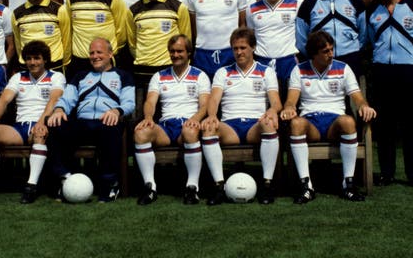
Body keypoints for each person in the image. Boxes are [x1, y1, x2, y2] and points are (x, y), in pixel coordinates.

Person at [280, 31, 376, 203]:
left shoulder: (343, 68)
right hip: (311, 123)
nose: (331, 54)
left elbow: (358, 97)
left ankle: (348, 184)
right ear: (314, 54)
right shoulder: (299, 69)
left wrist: (364, 106)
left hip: (334, 122)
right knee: (296, 124)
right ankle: (306, 186)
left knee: (348, 121)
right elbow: (291, 101)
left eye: (332, 49)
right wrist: (288, 109)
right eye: (326, 51)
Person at [46, 38, 135, 202]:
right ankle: (64, 178)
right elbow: (67, 99)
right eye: (92, 53)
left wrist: (116, 111)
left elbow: (129, 103)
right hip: (82, 122)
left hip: (106, 121)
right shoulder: (80, 76)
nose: (95, 56)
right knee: (54, 124)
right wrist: (58, 110)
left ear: (110, 54)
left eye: (99, 52)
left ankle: (109, 184)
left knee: (110, 128)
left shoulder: (123, 76)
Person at [0, 41, 66, 203]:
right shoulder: (18, 77)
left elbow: (54, 101)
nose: (32, 62)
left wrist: (41, 122)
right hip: (20, 127)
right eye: (29, 59)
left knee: (39, 135)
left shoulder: (56, 76)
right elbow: (4, 100)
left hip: (42, 124)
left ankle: (31, 186)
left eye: (37, 58)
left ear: (45, 60)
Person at [201, 28, 282, 205]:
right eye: (235, 48)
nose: (239, 52)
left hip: (255, 125)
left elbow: (276, 102)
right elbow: (214, 99)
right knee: (208, 128)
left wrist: (272, 110)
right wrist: (212, 115)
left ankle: (267, 184)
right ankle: (218, 186)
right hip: (230, 126)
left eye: (243, 47)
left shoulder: (266, 71)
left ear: (253, 47)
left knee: (269, 123)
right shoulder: (223, 72)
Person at [367, 0, 413, 187]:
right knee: (385, 126)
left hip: (408, 70)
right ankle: (387, 173)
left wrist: (411, 60)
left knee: (411, 124)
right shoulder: (373, 9)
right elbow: (372, 39)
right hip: (382, 70)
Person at [134, 35, 210, 205]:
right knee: (141, 133)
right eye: (172, 51)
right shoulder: (159, 76)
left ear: (189, 52)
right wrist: (148, 118)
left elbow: (205, 105)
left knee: (190, 132)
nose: (175, 55)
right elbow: (150, 101)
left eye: (180, 51)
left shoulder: (200, 75)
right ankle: (150, 187)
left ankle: (192, 188)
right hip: (166, 126)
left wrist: (195, 118)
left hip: (188, 123)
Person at [127, 0, 191, 114]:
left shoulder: (178, 7)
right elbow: (131, 42)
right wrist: (144, 57)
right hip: (142, 72)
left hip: (169, 70)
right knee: (142, 119)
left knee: (169, 115)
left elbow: (186, 40)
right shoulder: (133, 10)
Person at [296, 0, 366, 77]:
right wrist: (315, 56)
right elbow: (301, 39)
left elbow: (364, 33)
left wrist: (354, 51)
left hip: (351, 60)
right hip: (321, 63)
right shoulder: (309, 4)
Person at [65, 0, 129, 80]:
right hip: (79, 62)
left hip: (105, 62)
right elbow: (68, 31)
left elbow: (121, 33)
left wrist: (109, 53)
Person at [246, 0, 298, 100]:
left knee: (290, 103)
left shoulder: (295, 6)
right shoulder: (252, 9)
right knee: (265, 104)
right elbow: (251, 38)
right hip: (262, 60)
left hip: (288, 60)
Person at [12, 0, 70, 73]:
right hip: (28, 66)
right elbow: (18, 44)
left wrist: (64, 64)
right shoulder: (17, 13)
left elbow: (66, 41)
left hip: (54, 65)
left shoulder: (59, 9)